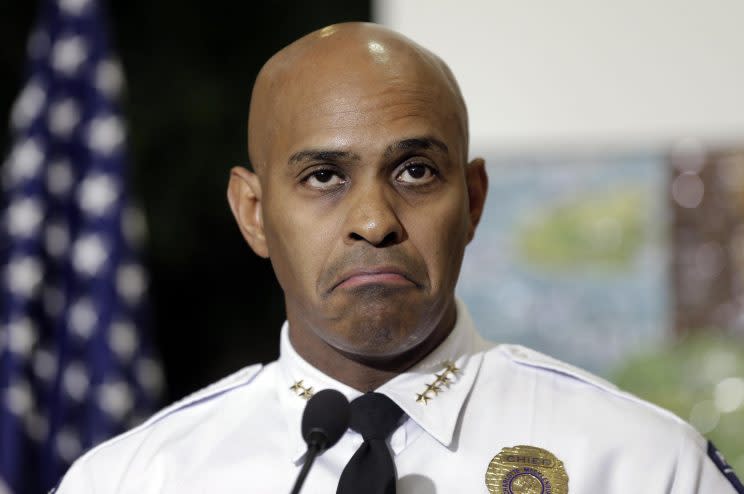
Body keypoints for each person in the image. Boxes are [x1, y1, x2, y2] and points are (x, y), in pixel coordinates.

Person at [55, 22, 742, 493]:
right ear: (254, 213)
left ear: (472, 201)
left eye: (415, 171)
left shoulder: (642, 465)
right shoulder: (133, 479)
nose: (376, 221)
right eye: (324, 176)